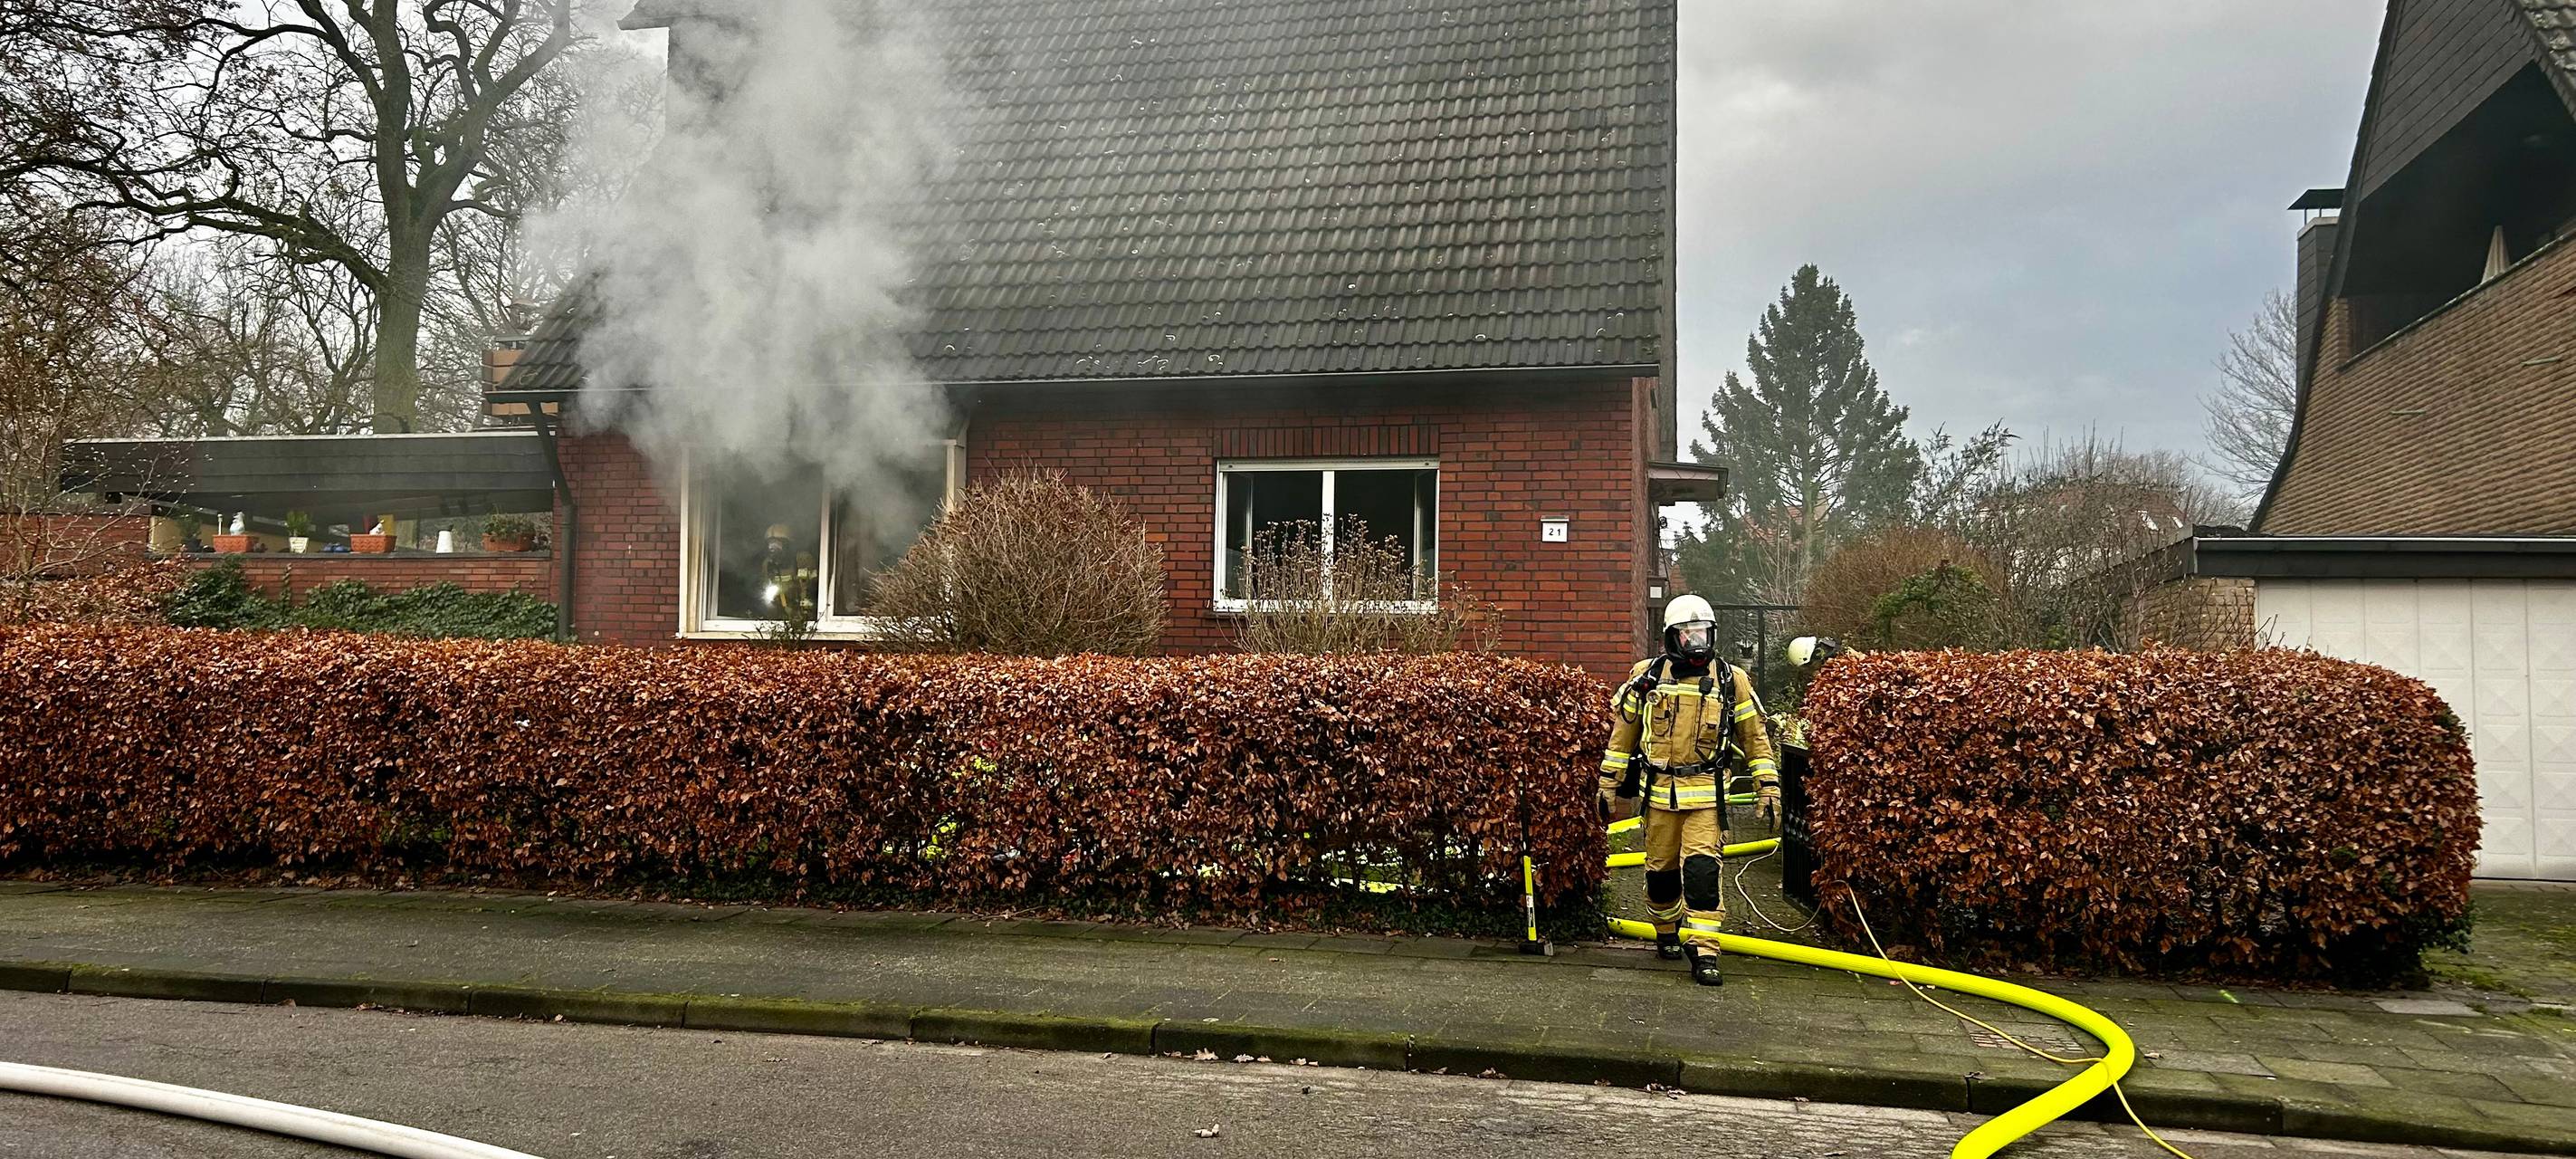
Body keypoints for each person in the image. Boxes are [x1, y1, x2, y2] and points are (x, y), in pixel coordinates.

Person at [1599, 595, 1779, 985]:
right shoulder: (1646, 677)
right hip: (1659, 796)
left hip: (1706, 797)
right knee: (1661, 876)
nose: (1696, 641)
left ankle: (1704, 950)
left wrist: (1768, 786)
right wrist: (1608, 786)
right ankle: (1666, 932)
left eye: (1702, 632)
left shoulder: (1732, 680)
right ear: (1671, 637)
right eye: (1687, 633)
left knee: (1701, 871)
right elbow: (1622, 738)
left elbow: (1755, 738)